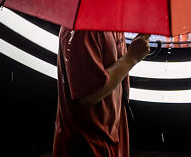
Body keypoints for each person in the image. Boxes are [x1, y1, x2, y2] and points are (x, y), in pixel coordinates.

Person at [53, 27, 151, 156]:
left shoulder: (111, 21)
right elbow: (89, 95)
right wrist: (131, 58)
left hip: (110, 135)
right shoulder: (83, 30)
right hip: (87, 144)